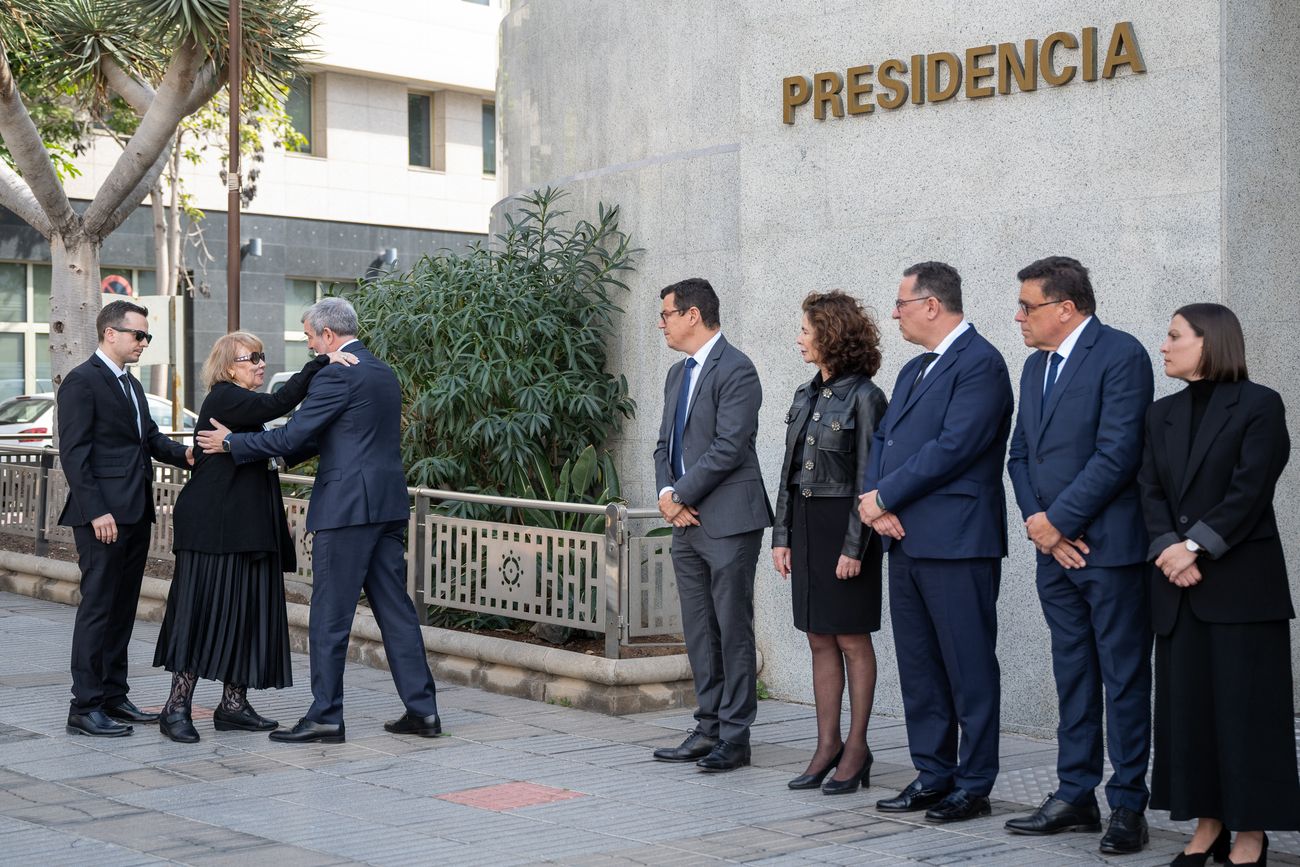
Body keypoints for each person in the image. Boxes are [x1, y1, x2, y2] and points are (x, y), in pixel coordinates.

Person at [196, 298, 440, 743]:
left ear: (328, 335)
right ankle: (423, 711)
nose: (308, 344)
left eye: (309, 336)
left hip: (347, 510)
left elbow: (294, 433)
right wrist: (276, 453)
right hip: (386, 507)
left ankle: (326, 715)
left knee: (329, 615)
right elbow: (335, 436)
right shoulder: (382, 372)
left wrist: (234, 444)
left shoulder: (336, 373)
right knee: (396, 612)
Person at [1138, 303, 1300, 867]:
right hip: (1177, 591)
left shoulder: (1259, 404)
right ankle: (1208, 826)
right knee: (1190, 716)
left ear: (1208, 343)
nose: (1164, 345)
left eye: (1174, 335)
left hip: (1240, 589)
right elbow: (1149, 492)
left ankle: (1251, 834)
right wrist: (1167, 549)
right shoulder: (1161, 413)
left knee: (1248, 713)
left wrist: (1194, 545)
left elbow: (1251, 487)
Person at [1003, 256, 1155, 854]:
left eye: (1027, 305)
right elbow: (1019, 456)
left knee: (1122, 678)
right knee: (1073, 674)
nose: (1018, 316)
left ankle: (1128, 806)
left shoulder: (1121, 355)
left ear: (1065, 308)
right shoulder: (1034, 366)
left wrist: (1059, 521)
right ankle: (1074, 796)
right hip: (1054, 554)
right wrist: (1039, 526)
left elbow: (1118, 453)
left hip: (1108, 550)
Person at [858, 261, 1013, 823]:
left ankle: (973, 784)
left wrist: (887, 496)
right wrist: (876, 501)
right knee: (921, 666)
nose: (894, 313)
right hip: (905, 539)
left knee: (968, 667)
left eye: (900, 303)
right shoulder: (913, 370)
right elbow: (885, 440)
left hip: (957, 541)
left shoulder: (982, 365)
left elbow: (955, 447)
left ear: (931, 305)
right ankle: (933, 773)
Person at [152, 332, 357, 743]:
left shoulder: (243, 410)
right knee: (200, 611)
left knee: (245, 613)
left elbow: (271, 441)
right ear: (230, 367)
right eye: (252, 358)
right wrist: (321, 363)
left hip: (246, 527)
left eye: (263, 357)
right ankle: (176, 707)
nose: (261, 363)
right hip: (214, 527)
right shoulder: (224, 397)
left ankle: (232, 706)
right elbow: (278, 405)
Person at [651, 277, 773, 773]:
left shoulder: (737, 369)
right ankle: (707, 727)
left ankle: (735, 735)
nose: (661, 324)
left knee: (731, 627)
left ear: (693, 315)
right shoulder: (677, 375)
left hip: (728, 521)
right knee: (699, 629)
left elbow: (729, 446)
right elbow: (664, 446)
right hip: (685, 521)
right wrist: (666, 496)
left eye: (666, 315)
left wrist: (681, 494)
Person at [57, 300, 193, 737]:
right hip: (102, 517)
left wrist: (189, 455)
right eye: (139, 335)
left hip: (134, 512)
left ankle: (114, 696)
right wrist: (97, 510)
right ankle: (85, 705)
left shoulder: (129, 385)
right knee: (97, 609)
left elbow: (148, 439)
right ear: (109, 333)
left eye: (146, 336)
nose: (144, 343)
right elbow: (74, 454)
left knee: (121, 610)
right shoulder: (82, 381)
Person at [771, 291, 887, 795]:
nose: (799, 337)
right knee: (818, 636)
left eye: (805, 329)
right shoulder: (804, 394)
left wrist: (854, 547)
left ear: (830, 333)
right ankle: (827, 746)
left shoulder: (866, 396)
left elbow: (870, 477)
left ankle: (857, 749)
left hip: (847, 525)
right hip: (806, 526)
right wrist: (781, 535)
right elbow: (790, 473)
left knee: (851, 640)